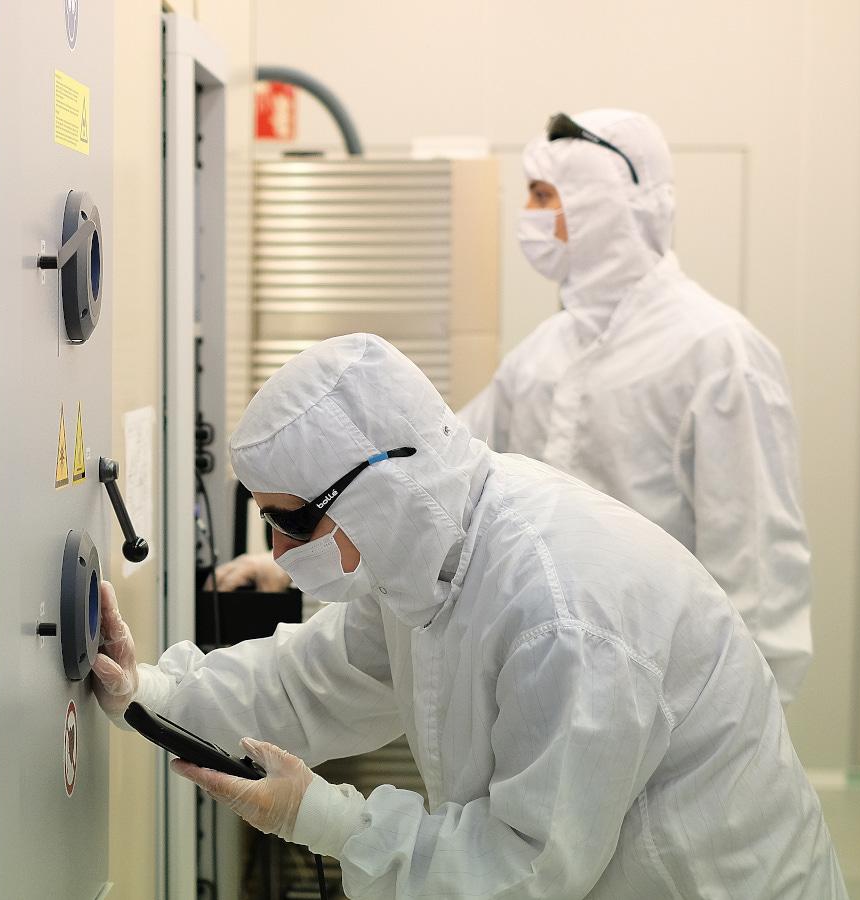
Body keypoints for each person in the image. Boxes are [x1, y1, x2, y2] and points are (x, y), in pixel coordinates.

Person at [97, 334, 844, 898]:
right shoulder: (427, 560)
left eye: (291, 525)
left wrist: (320, 816)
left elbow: (523, 868)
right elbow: (311, 681)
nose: (278, 550)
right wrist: (149, 691)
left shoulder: (560, 614)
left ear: (373, 489)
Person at [218, 109, 814, 704]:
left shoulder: (718, 351)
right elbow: (426, 475)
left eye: (544, 195)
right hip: (552, 651)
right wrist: (293, 552)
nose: (531, 216)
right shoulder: (545, 355)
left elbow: (755, 554)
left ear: (605, 202)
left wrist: (750, 714)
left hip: (672, 680)